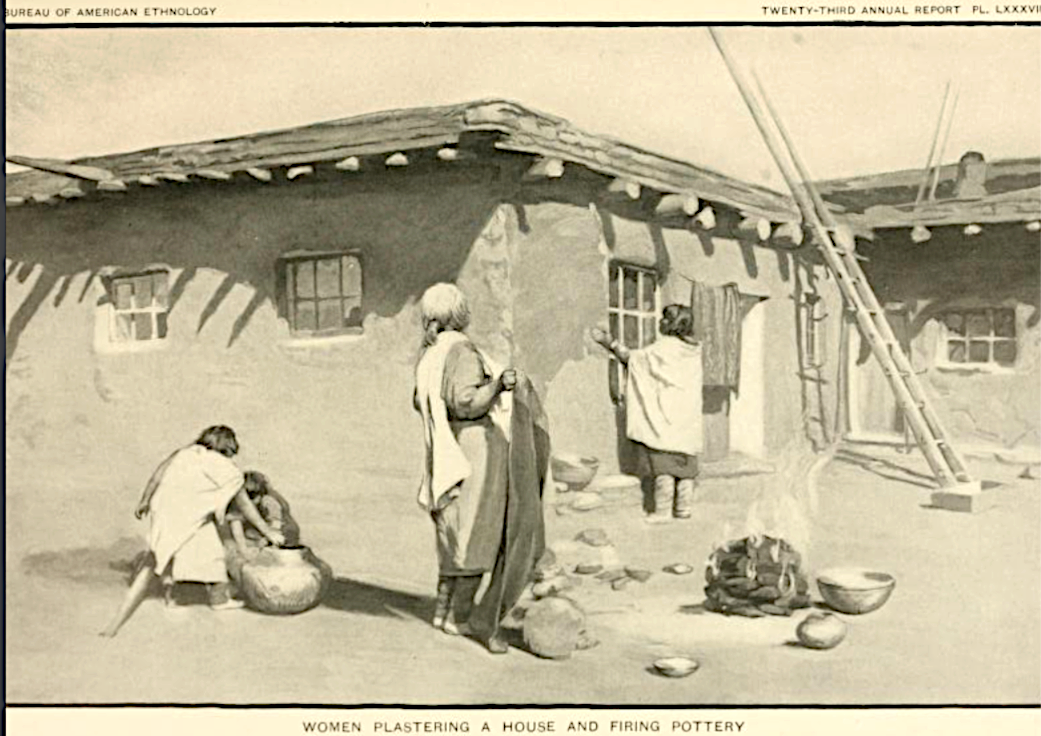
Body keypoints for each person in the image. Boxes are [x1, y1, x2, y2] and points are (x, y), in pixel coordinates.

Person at [414, 283, 549, 654]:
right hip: (474, 450)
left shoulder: (430, 353)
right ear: (461, 314)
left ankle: (443, 612)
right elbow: (466, 400)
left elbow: (421, 399)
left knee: (453, 532)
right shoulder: (461, 350)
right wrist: (499, 386)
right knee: (476, 533)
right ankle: (461, 616)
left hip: (445, 449)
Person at [100, 426, 285, 637]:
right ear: (228, 447)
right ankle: (219, 600)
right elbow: (244, 504)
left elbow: (157, 477)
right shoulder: (225, 466)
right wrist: (268, 532)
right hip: (189, 513)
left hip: (165, 509)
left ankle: (171, 596)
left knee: (167, 553)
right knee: (212, 554)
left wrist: (144, 500)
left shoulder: (184, 453)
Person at [592, 304, 703, 522]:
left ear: (670, 324)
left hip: (666, 415)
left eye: (663, 319)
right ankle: (683, 509)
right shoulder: (693, 350)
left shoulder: (663, 349)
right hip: (687, 415)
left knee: (664, 469)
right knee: (685, 468)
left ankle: (662, 512)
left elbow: (632, 359)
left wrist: (608, 342)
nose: (659, 322)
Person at [223, 470, 301, 582]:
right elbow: (236, 524)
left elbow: (276, 528)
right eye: (246, 496)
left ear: (261, 493)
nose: (249, 501)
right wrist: (242, 549)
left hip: (279, 538)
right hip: (256, 538)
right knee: (233, 552)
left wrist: (266, 540)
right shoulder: (238, 503)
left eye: (252, 496)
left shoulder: (269, 502)